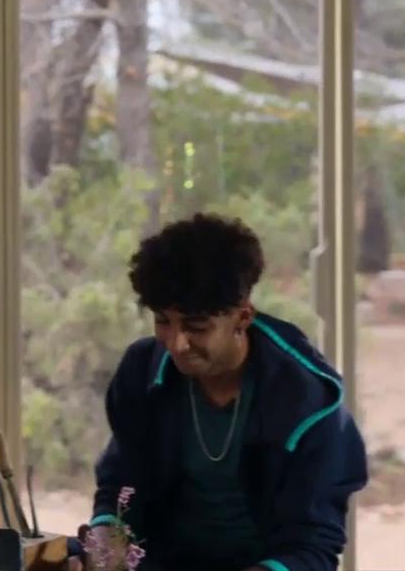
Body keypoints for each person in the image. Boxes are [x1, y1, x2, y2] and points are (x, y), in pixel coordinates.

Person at [86, 213, 367, 571]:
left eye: (197, 327)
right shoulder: (141, 371)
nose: (177, 343)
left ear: (243, 317)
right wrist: (105, 544)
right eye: (163, 321)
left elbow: (313, 547)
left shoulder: (308, 403)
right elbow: (120, 487)